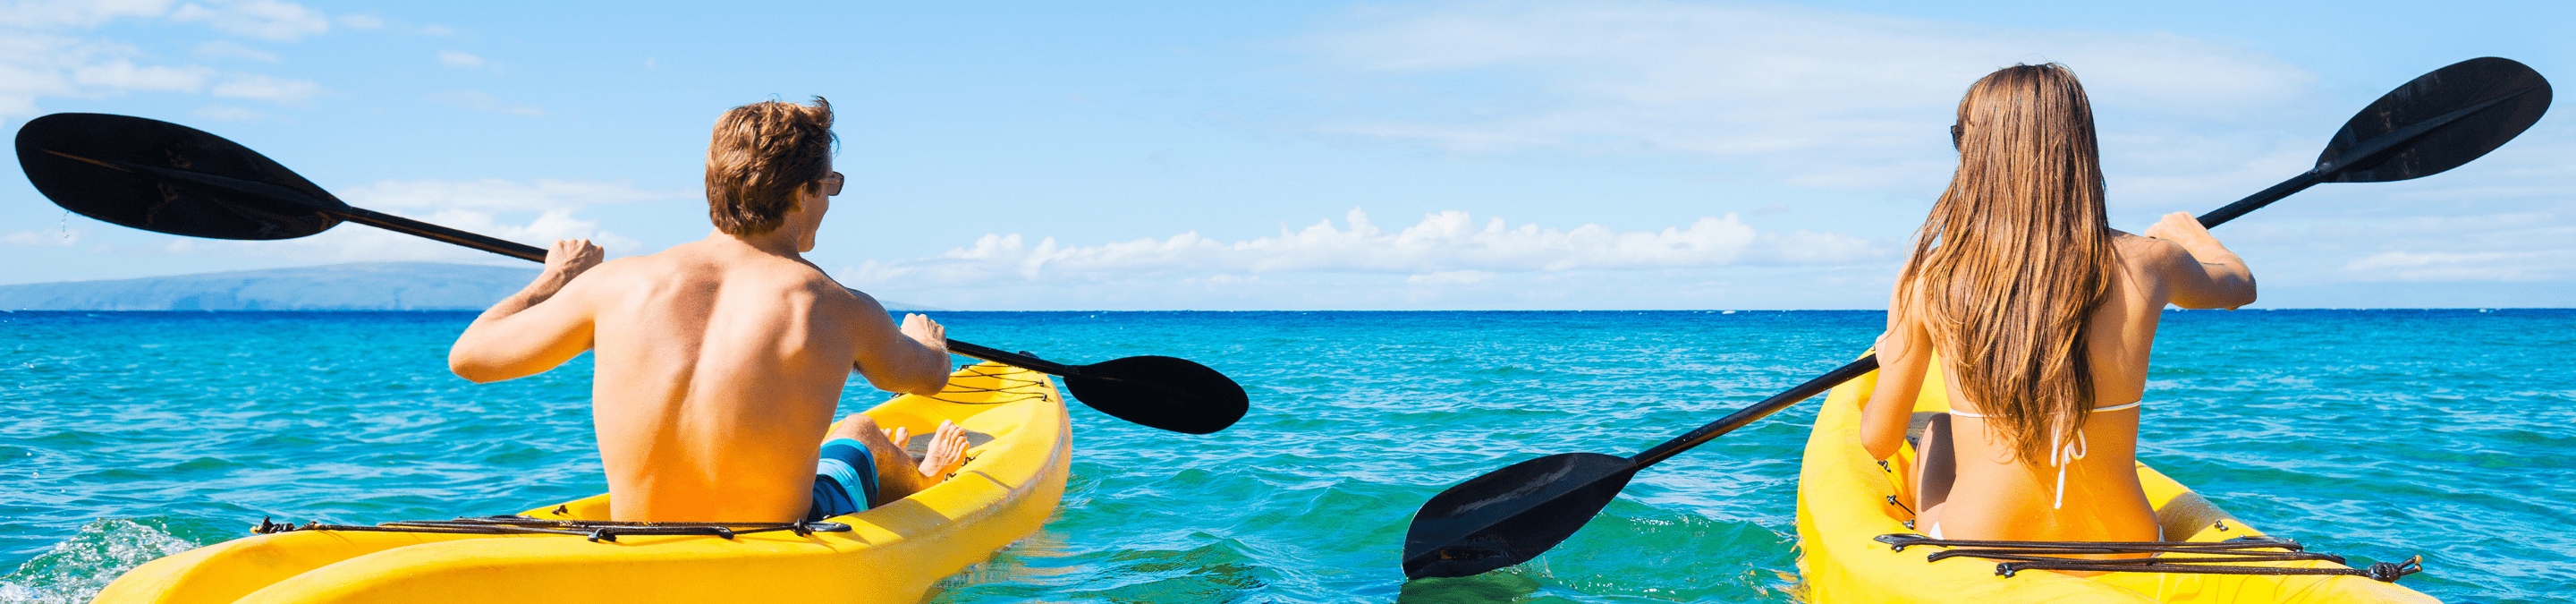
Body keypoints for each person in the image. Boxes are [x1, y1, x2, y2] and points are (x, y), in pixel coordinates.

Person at [446, 97, 973, 523]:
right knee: (859, 433)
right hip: (779, 542)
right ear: (801, 193)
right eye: (829, 185)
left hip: (641, 541)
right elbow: (927, 378)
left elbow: (469, 357)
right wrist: (926, 340)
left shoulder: (615, 285)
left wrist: (556, 278)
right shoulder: (838, 307)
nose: (829, 200)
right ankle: (921, 476)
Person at [1858, 64, 2256, 548]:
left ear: (1977, 152)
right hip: (2128, 542)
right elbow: (2239, 286)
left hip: (1979, 543)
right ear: (2079, 147)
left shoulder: (1927, 275)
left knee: (1940, 431)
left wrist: (1891, 352)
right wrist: (2194, 238)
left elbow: (1879, 440)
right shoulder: (2154, 262)